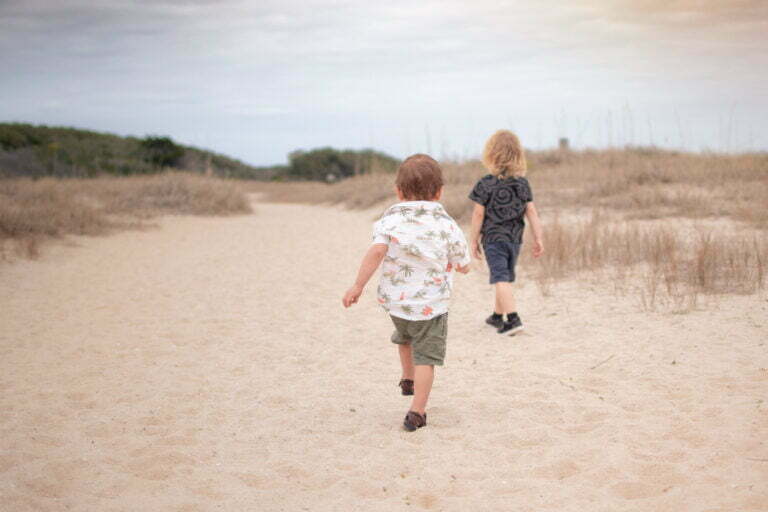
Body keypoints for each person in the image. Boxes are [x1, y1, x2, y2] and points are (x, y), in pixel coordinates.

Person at [342, 154, 470, 432]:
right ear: (439, 192)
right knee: (426, 356)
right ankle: (417, 412)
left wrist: (358, 285)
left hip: (397, 305)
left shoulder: (389, 221)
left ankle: (407, 378)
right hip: (431, 306)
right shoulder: (446, 224)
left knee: (404, 337)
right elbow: (462, 259)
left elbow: (376, 251)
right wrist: (463, 267)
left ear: (398, 191)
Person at [468, 130, 543, 335]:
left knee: (500, 278)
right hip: (514, 240)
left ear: (490, 154)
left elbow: (477, 214)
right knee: (505, 277)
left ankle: (512, 319)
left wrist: (473, 240)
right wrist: (538, 237)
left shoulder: (485, 183)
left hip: (493, 239)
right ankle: (497, 316)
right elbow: (532, 211)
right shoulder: (522, 184)